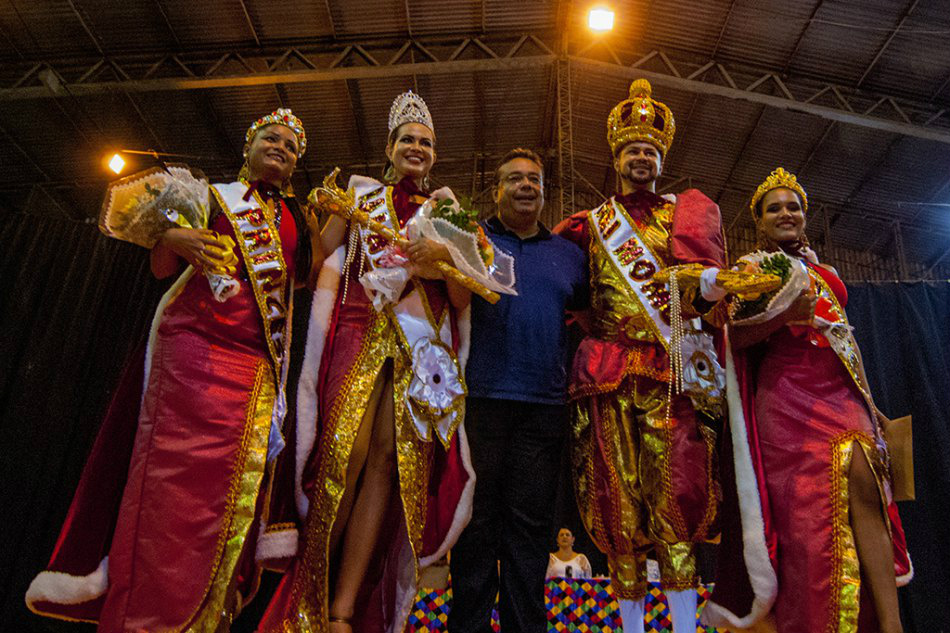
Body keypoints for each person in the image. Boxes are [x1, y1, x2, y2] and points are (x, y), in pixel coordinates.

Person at [26, 108, 323, 631]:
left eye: (292, 146)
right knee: (167, 494)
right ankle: (142, 618)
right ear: (248, 147)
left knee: (231, 502)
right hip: (190, 353)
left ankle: (207, 618)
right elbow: (162, 268)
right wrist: (169, 238)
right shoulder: (209, 196)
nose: (281, 147)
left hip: (254, 370)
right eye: (270, 138)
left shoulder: (298, 219)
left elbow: (309, 281)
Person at [256, 91, 475, 633]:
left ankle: (343, 611)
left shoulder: (448, 214)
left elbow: (466, 299)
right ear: (390, 148)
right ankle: (305, 599)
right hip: (356, 334)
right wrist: (321, 214)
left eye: (425, 142)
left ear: (434, 154)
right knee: (341, 459)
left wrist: (443, 260)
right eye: (408, 140)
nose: (416, 148)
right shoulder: (362, 198)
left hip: (419, 351)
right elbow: (315, 259)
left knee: (386, 467)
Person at [703, 168, 913, 633]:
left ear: (805, 216)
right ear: (758, 221)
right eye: (774, 208)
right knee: (808, 520)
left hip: (840, 391)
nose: (786, 213)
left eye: (793, 206)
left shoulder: (828, 273)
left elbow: (845, 342)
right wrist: (784, 317)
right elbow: (733, 339)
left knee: (867, 485)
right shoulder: (751, 270)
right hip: (784, 398)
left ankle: (892, 624)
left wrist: (871, 402)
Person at [553, 78, 726, 633]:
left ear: (661, 158)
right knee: (616, 505)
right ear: (617, 157)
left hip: (668, 376)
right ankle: (629, 627)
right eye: (632, 150)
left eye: (649, 151)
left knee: (674, 505)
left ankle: (682, 627)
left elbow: (706, 293)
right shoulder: (590, 226)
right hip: (605, 381)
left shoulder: (683, 219)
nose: (641, 158)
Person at [447, 148, 588, 633]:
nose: (526, 186)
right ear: (496, 190)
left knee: (529, 538)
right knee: (475, 529)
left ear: (545, 190)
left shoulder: (570, 256)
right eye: (515, 179)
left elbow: (593, 319)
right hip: (480, 402)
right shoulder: (472, 239)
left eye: (534, 179)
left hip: (543, 411)